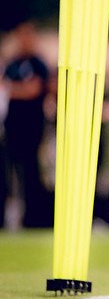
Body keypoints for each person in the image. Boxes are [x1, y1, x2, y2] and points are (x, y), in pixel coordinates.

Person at [1, 22, 53, 227]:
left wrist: (12, 89)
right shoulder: (12, 64)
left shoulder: (38, 64)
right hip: (13, 127)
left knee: (32, 172)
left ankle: (34, 217)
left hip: (32, 127)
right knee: (12, 173)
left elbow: (34, 89)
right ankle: (14, 215)